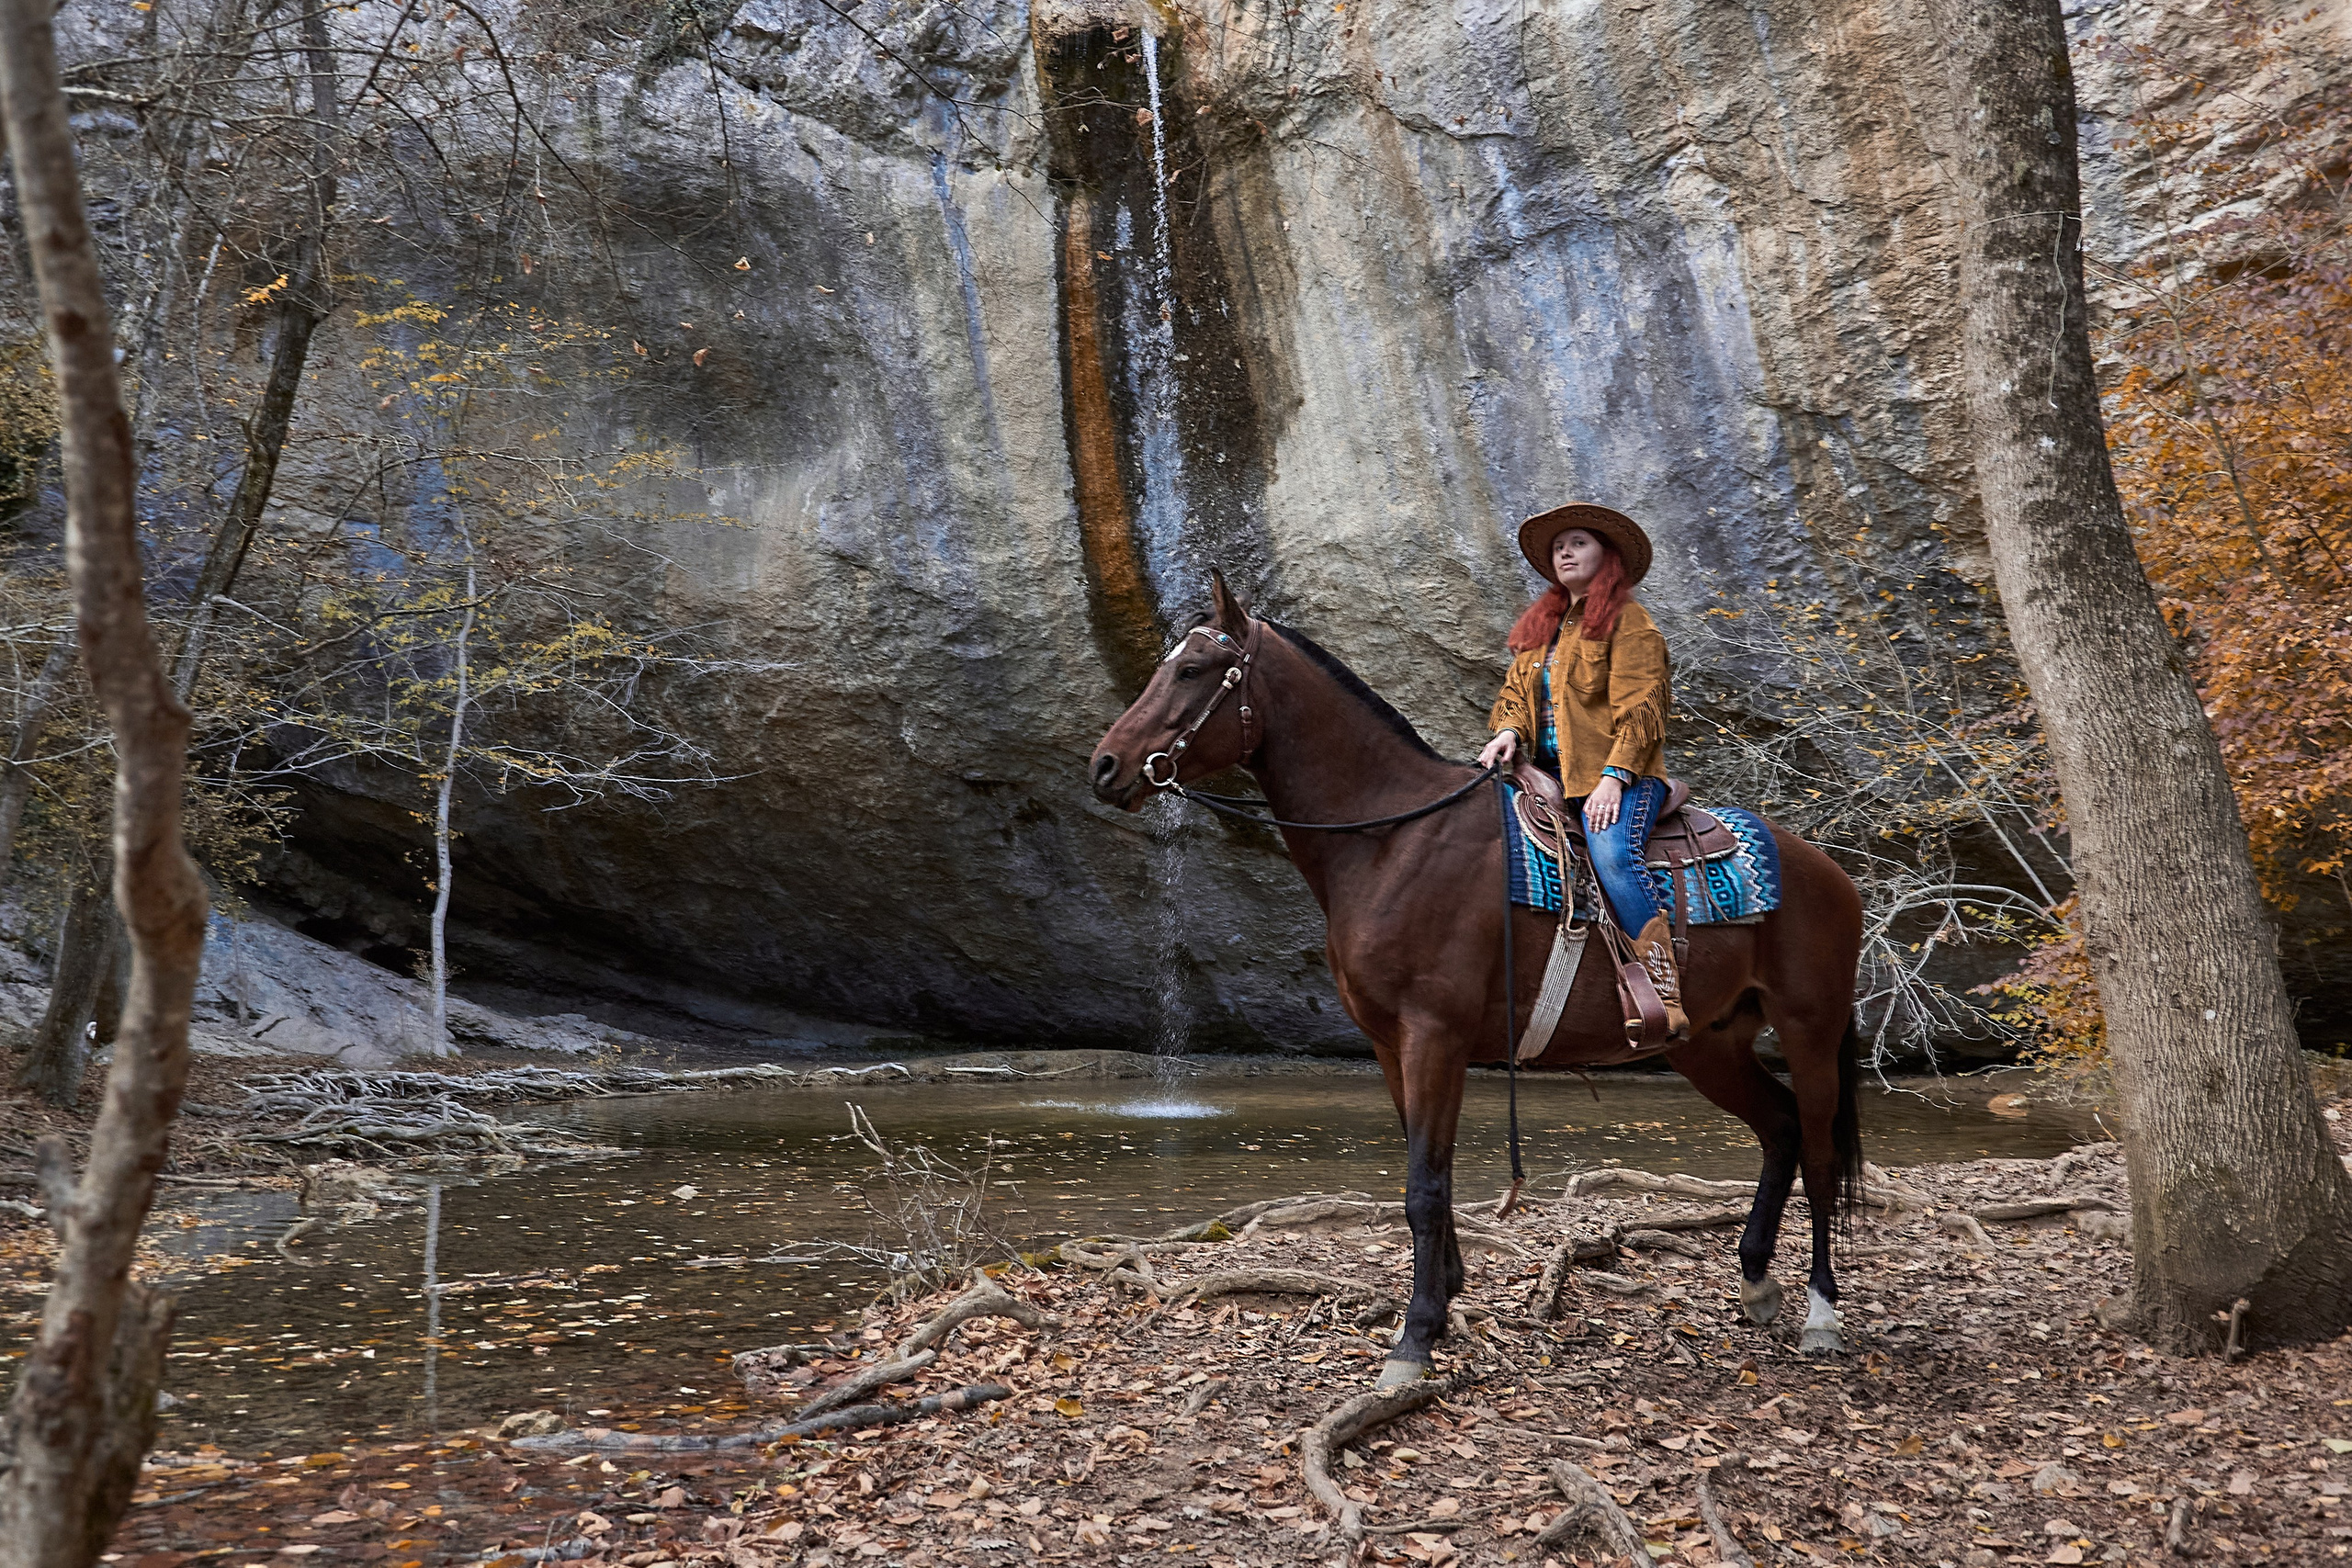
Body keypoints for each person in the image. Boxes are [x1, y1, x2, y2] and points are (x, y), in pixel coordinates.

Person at [1476, 502, 1684, 1038]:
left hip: (1617, 779)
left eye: (1578, 543)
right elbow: (1516, 697)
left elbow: (1643, 707)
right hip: (1542, 780)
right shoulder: (1540, 631)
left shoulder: (1629, 622)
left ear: (1607, 556)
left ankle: (1664, 988)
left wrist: (1615, 779)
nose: (1564, 551)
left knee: (1613, 852)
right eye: (1558, 546)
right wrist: (1507, 732)